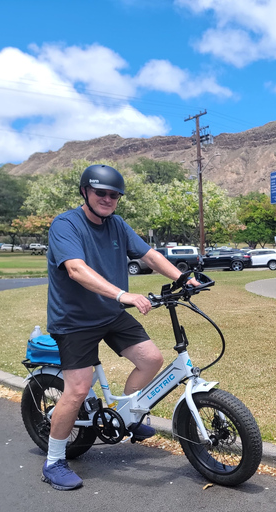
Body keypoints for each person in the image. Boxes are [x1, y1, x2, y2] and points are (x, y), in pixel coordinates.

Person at [42, 164, 199, 491]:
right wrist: (122, 294)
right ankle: (54, 460)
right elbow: (76, 269)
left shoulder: (117, 225)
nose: (108, 199)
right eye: (101, 192)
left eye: (114, 195)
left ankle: (127, 414)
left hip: (109, 312)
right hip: (74, 321)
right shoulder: (65, 225)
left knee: (151, 359)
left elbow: (150, 256)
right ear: (86, 191)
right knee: (78, 390)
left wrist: (182, 278)